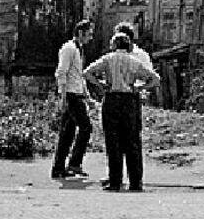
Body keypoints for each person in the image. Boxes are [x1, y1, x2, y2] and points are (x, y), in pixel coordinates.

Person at [85, 32, 161, 191]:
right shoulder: (134, 61)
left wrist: (100, 85)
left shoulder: (108, 59)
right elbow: (155, 79)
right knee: (132, 141)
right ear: (128, 46)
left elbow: (87, 73)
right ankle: (135, 182)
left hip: (111, 99)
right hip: (129, 100)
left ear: (114, 45)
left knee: (113, 142)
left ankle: (115, 181)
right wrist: (140, 87)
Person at [51, 20, 100, 180]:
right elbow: (61, 73)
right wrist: (63, 96)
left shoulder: (79, 50)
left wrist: (87, 97)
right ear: (80, 32)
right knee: (85, 127)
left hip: (76, 94)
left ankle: (59, 168)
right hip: (71, 95)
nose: (91, 37)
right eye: (89, 33)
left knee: (67, 133)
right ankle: (74, 163)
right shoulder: (69, 49)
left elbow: (79, 76)